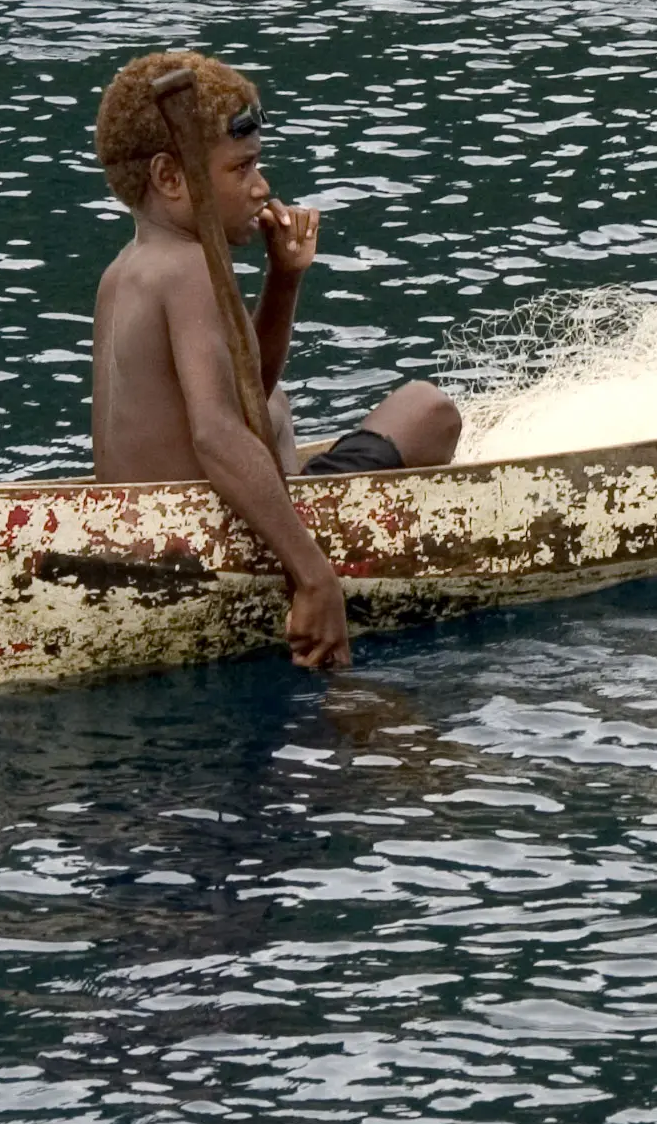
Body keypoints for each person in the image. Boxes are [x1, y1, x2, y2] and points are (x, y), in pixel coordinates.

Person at [88, 50, 461, 669]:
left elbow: (246, 391)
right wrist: (315, 577)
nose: (261, 186)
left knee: (312, 406)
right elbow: (215, 435)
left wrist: (283, 279)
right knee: (432, 410)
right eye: (243, 166)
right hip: (220, 531)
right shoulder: (188, 271)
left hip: (148, 529)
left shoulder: (127, 271)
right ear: (171, 177)